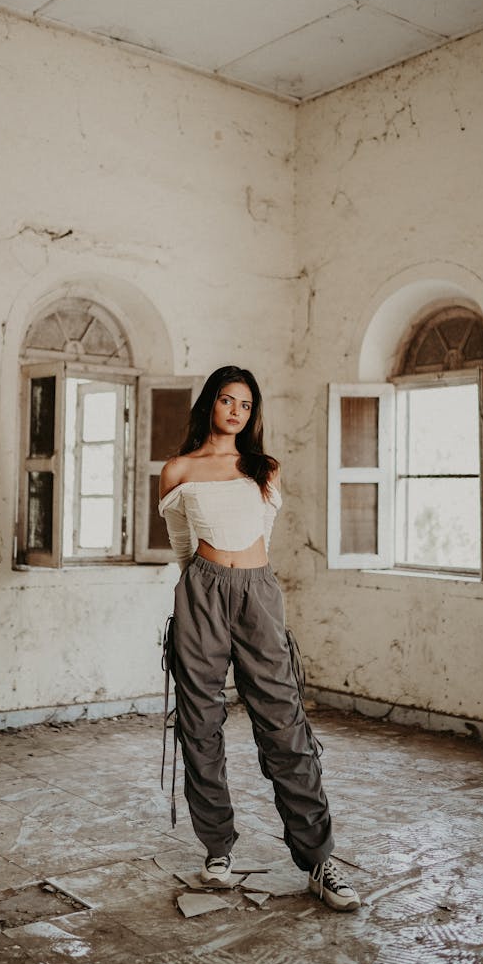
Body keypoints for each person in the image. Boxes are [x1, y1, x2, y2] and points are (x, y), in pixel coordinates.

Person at [158, 365, 360, 912]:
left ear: (252, 413)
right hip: (200, 590)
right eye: (227, 400)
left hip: (257, 594)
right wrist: (198, 595)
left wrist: (249, 588)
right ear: (210, 404)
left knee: (284, 723)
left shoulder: (263, 468)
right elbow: (181, 544)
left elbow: (263, 539)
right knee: (200, 722)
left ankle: (319, 860)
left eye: (245, 405)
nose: (236, 412)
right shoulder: (178, 470)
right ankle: (217, 850)